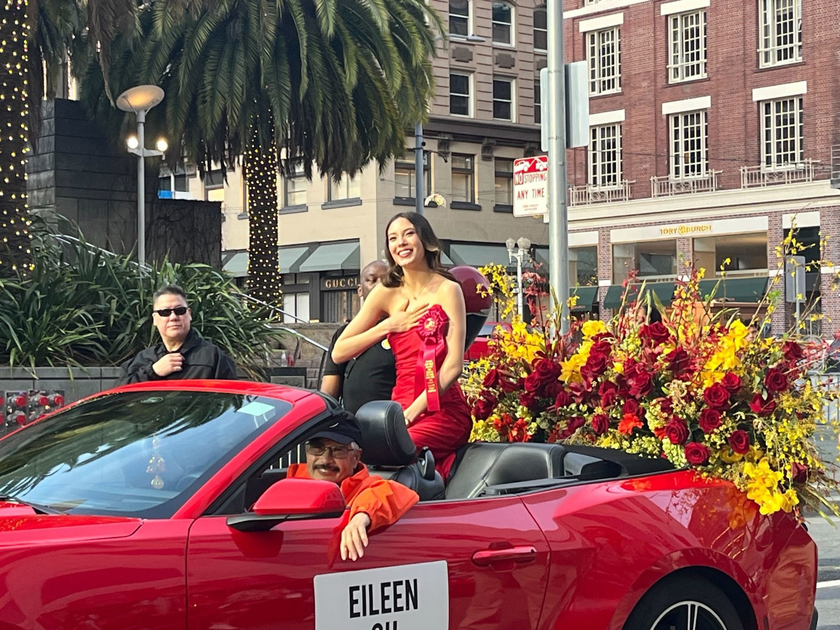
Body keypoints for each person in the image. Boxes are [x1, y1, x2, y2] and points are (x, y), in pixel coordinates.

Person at [331, 212, 472, 479]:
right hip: (398, 408)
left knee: (390, 456)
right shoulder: (386, 292)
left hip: (440, 409)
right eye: (393, 238)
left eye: (409, 234)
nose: (401, 243)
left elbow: (453, 366)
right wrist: (388, 326)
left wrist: (410, 415)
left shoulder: (448, 290)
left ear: (425, 240)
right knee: (360, 463)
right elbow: (339, 352)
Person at [285, 413, 419, 561]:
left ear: (355, 457)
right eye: (317, 448)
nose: (325, 459)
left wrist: (361, 517)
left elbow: (393, 492)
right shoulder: (291, 483)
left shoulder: (367, 487)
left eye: (338, 450)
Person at [118, 284, 237, 384]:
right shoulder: (142, 359)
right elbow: (118, 395)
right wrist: (152, 372)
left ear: (189, 314)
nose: (173, 317)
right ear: (154, 319)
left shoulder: (214, 358)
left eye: (180, 311)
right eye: (165, 312)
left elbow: (230, 401)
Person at [321, 260, 395, 414]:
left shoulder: (401, 329)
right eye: (372, 280)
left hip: (393, 422)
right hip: (352, 425)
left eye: (386, 280)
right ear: (360, 290)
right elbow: (329, 393)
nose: (379, 286)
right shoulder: (343, 335)